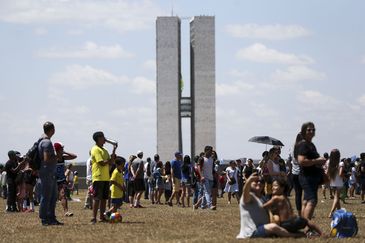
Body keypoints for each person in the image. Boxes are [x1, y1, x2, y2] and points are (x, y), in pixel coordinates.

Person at [237, 173, 302, 239]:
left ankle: (297, 232)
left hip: (263, 227)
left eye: (261, 181)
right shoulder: (249, 196)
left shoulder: (262, 198)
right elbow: (245, 192)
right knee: (273, 227)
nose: (259, 183)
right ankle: (294, 235)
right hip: (251, 232)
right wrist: (249, 180)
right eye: (256, 181)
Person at [295, 122, 326, 221]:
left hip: (312, 176)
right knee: (312, 200)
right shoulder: (303, 145)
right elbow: (301, 161)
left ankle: (303, 224)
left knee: (306, 200)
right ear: (304, 131)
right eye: (309, 130)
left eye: (313, 129)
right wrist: (317, 161)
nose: (311, 131)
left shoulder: (311, 144)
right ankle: (308, 228)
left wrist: (319, 162)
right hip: (307, 177)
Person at [38, 121, 63, 225]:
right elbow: (46, 158)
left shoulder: (42, 141)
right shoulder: (47, 143)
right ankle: (45, 219)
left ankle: (51, 218)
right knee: (47, 197)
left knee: (52, 197)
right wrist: (57, 156)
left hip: (48, 173)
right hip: (47, 174)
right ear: (52, 129)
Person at [90, 131, 117, 224]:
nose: (104, 139)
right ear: (98, 139)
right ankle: (93, 218)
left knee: (104, 199)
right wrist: (109, 160)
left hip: (105, 177)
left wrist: (114, 150)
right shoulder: (95, 149)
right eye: (103, 137)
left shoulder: (104, 150)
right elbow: (101, 162)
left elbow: (112, 162)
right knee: (97, 198)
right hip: (98, 177)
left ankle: (101, 217)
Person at [54, 142, 77, 217]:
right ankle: (50, 212)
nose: (63, 149)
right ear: (58, 150)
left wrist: (65, 152)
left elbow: (74, 156)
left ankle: (66, 211)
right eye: (62, 148)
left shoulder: (63, 157)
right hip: (53, 180)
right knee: (52, 197)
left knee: (63, 195)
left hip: (61, 180)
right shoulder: (53, 157)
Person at [327, 149, 344, 218]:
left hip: (332, 181)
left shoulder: (329, 162)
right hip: (339, 182)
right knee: (336, 198)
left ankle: (339, 211)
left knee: (336, 198)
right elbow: (340, 174)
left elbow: (327, 173)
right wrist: (345, 177)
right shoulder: (341, 163)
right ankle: (331, 213)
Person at [198, 146, 215, 210]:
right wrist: (201, 176)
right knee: (207, 192)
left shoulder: (212, 159)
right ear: (206, 151)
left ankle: (202, 205)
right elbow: (199, 168)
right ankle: (210, 205)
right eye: (210, 151)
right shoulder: (201, 159)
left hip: (211, 178)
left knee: (206, 192)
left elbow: (212, 169)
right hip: (205, 178)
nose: (211, 152)